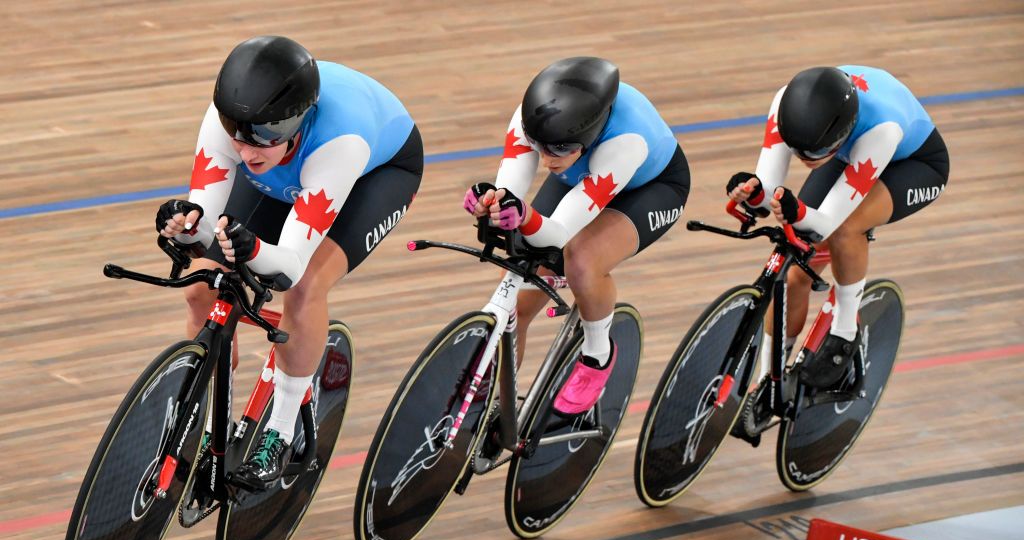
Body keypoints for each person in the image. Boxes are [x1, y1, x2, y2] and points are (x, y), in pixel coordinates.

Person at [156, 35, 423, 488]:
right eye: (235, 133)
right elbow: (204, 222)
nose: (243, 149)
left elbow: (290, 265)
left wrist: (253, 249)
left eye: (260, 137)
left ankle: (279, 431)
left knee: (304, 290)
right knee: (202, 283)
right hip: (282, 177)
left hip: (372, 176)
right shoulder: (236, 124)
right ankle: (206, 424)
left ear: (295, 126)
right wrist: (184, 224)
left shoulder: (342, 143)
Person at [465, 56, 690, 417]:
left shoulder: (625, 143)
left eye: (559, 149)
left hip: (652, 187)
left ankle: (598, 355)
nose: (547, 158)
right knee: (518, 303)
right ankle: (496, 412)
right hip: (581, 175)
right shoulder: (535, 122)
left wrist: (523, 216)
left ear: (587, 136)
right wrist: (492, 201)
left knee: (582, 259)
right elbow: (510, 188)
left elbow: (558, 233)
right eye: (541, 146)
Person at [726, 65, 949, 405]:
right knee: (795, 268)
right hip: (846, 151)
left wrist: (795, 209)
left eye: (811, 155)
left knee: (846, 230)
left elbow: (825, 223)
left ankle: (844, 334)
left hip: (914, 164)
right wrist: (753, 194)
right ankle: (767, 383)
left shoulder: (882, 131)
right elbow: (768, 184)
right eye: (796, 150)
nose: (802, 160)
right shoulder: (786, 104)